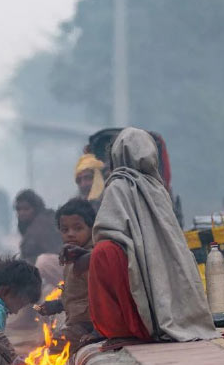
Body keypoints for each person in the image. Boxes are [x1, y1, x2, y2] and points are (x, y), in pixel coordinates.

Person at [89, 128, 217, 341]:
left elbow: (105, 232)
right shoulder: (159, 189)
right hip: (158, 283)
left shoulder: (118, 185)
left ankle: (122, 328)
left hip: (133, 281)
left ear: (117, 154)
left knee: (103, 253)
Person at [35, 198, 98, 351]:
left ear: (91, 228)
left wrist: (98, 332)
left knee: (48, 350)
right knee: (45, 346)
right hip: (76, 322)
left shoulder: (91, 258)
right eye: (65, 230)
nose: (71, 234)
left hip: (88, 326)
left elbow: (102, 297)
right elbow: (77, 295)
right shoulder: (70, 258)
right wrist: (57, 305)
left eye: (78, 228)